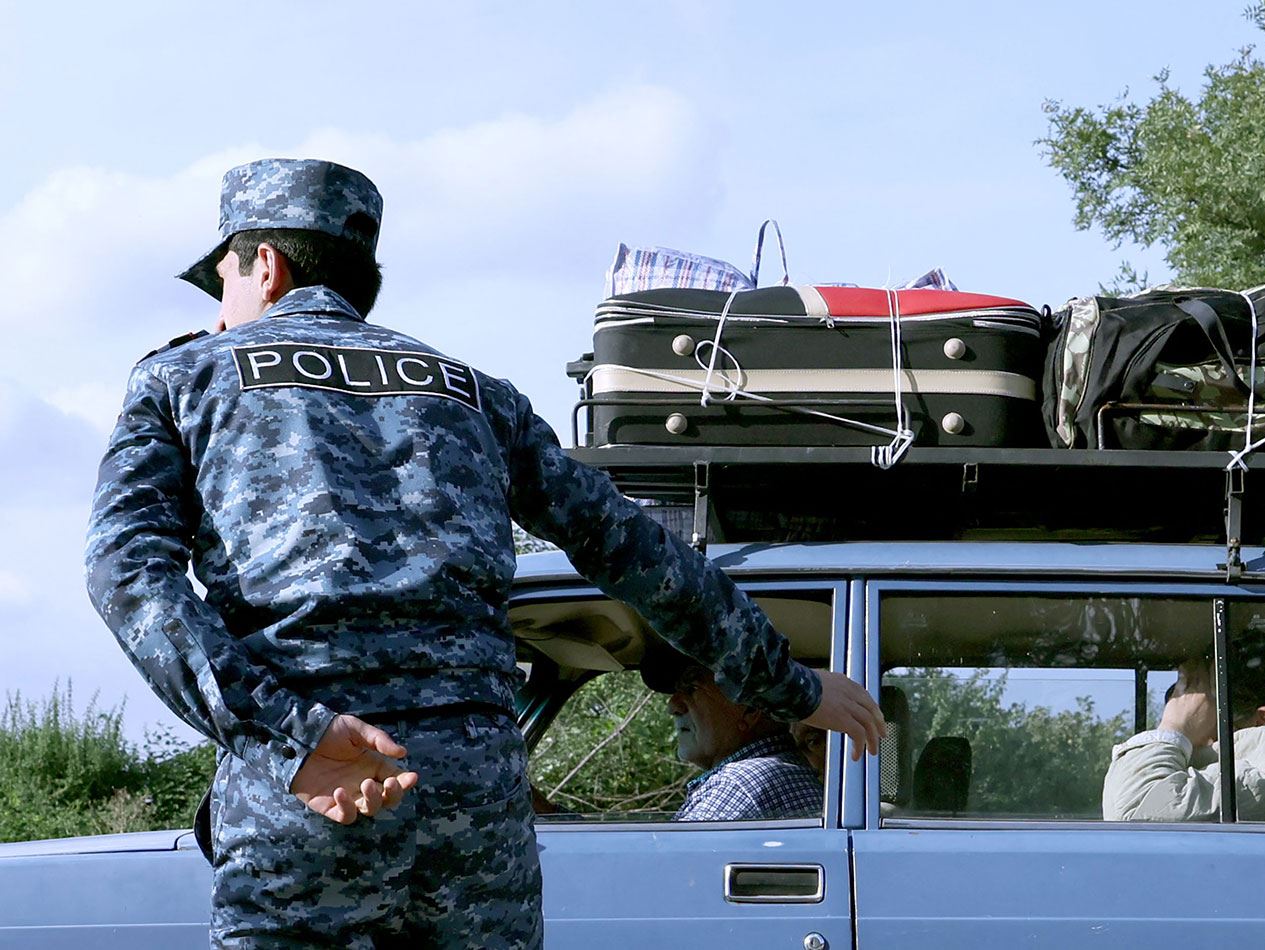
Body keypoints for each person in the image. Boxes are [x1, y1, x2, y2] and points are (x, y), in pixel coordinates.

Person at [83, 158, 884, 949]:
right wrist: (788, 685)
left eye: (221, 277)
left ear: (265, 264)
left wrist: (290, 736)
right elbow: (636, 548)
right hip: (476, 811)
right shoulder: (478, 395)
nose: (221, 308)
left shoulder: (184, 378)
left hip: (312, 791)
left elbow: (128, 574)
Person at [1102, 633, 1265, 823]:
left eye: (1201, 716)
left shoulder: (1261, 777)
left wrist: (1174, 727)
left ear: (1261, 723)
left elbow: (1132, 811)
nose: (1192, 744)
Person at [640, 645, 823, 821]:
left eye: (691, 688)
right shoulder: (782, 769)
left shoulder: (739, 784)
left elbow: (677, 845)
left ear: (751, 708)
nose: (672, 706)